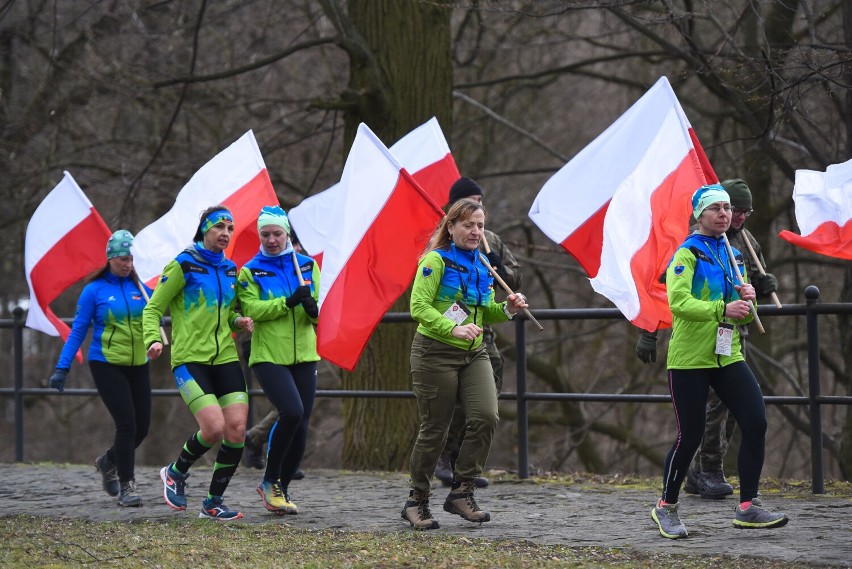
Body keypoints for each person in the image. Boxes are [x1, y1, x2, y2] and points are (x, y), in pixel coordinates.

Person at [650, 184, 788, 539]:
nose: (724, 214)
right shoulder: (687, 254)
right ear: (700, 215)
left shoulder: (734, 254)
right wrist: (721, 307)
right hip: (690, 359)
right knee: (691, 436)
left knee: (755, 421)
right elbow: (678, 304)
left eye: (727, 208)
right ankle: (666, 507)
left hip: (728, 354)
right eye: (716, 208)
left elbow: (741, 316)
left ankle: (747, 507)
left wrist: (748, 303)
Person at [402, 198, 528, 530]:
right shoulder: (435, 260)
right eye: (468, 225)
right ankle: (417, 501)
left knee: (486, 417)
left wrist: (507, 310)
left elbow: (485, 311)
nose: (475, 231)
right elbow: (418, 306)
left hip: (474, 353)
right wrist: (452, 327)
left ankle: (462, 491)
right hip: (434, 352)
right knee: (435, 430)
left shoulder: (483, 264)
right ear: (452, 227)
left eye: (480, 225)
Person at [143, 205, 253, 521]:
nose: (226, 233)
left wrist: (239, 321)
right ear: (205, 229)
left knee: (236, 430)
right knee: (214, 428)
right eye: (220, 226)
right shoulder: (183, 265)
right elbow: (152, 309)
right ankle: (176, 471)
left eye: (230, 229)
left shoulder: (231, 269)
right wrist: (153, 338)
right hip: (190, 360)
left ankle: (213, 503)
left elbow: (226, 314)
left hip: (225, 358)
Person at [48, 230, 151, 507]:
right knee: (127, 424)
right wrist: (62, 367)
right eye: (121, 259)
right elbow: (78, 330)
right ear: (110, 259)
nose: (127, 264)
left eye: (131, 258)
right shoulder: (93, 291)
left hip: (140, 364)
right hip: (106, 364)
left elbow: (155, 318)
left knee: (143, 428)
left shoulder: (142, 288)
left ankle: (108, 461)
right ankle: (127, 487)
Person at [434, 177, 523, 489]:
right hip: (449, 328)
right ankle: (443, 456)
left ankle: (465, 464)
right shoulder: (442, 243)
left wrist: (500, 268)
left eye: (481, 202)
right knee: (453, 398)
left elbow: (514, 278)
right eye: (471, 201)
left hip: (482, 330)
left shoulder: (490, 240)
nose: (478, 210)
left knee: (486, 398)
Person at [237, 206, 319, 515]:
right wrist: (286, 303)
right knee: (291, 411)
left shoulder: (308, 265)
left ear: (287, 234)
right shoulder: (251, 270)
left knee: (302, 424)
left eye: (278, 234)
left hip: (305, 354)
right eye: (266, 234)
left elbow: (319, 311)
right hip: (268, 355)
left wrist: (313, 310)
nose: (272, 240)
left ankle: (280, 488)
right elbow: (252, 309)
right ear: (259, 235)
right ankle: (270, 480)